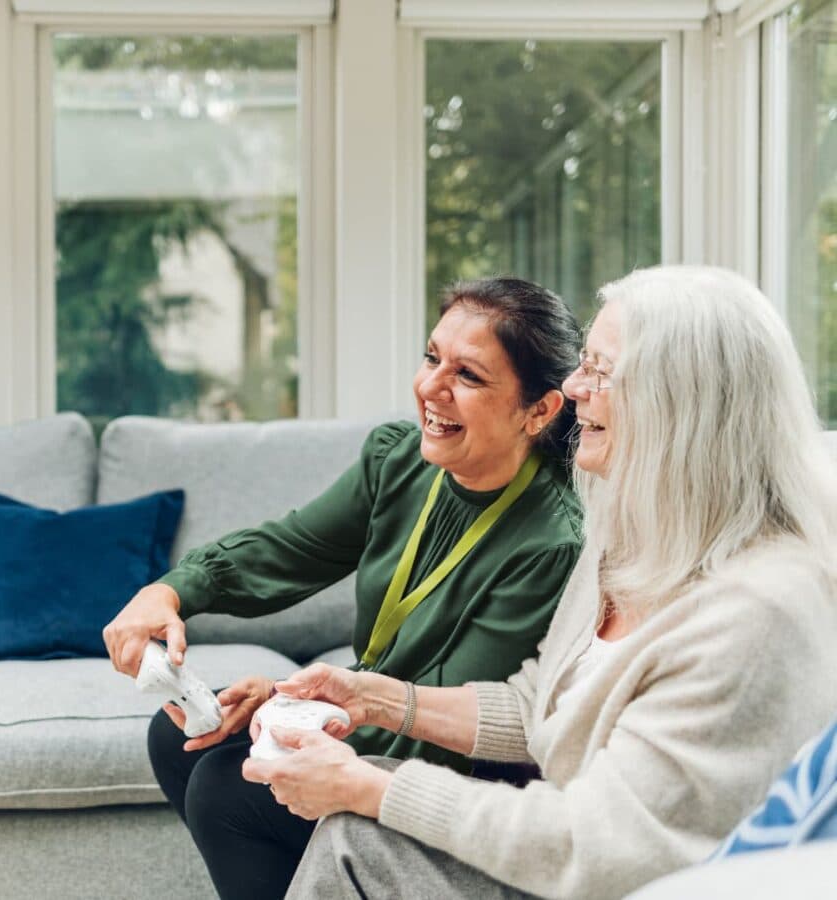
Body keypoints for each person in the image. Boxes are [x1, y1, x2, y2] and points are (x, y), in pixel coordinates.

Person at [243, 265, 837, 900]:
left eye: (602, 372)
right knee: (347, 815)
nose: (575, 386)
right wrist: (374, 698)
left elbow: (603, 846)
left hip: (633, 879)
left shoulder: (755, 614)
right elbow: (544, 707)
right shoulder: (631, 533)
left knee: (355, 833)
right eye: (585, 361)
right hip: (584, 847)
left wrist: (370, 787)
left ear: (681, 403)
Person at [102, 276, 584, 899]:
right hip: (367, 710)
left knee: (228, 786)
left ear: (540, 410)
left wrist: (284, 709)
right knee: (182, 735)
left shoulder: (550, 543)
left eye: (468, 376)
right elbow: (292, 548)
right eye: (432, 357)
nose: (430, 387)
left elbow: (440, 713)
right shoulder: (400, 460)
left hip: (452, 768)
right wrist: (168, 593)